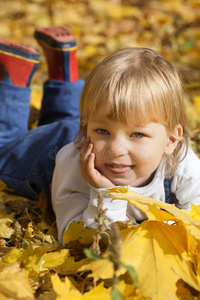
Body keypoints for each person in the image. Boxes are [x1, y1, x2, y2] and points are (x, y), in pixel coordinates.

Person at [51, 46, 200, 244]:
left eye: (137, 134)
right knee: (9, 146)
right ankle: (32, 82)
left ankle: (64, 77)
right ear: (87, 126)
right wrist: (105, 195)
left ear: (171, 140)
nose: (115, 150)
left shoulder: (182, 166)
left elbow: (194, 226)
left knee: (66, 120)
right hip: (44, 156)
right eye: (103, 131)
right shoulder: (71, 166)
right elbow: (78, 243)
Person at [0, 26, 84, 200]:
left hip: (81, 131)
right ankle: (14, 78)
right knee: (4, 152)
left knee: (66, 124)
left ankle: (66, 70)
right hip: (70, 157)